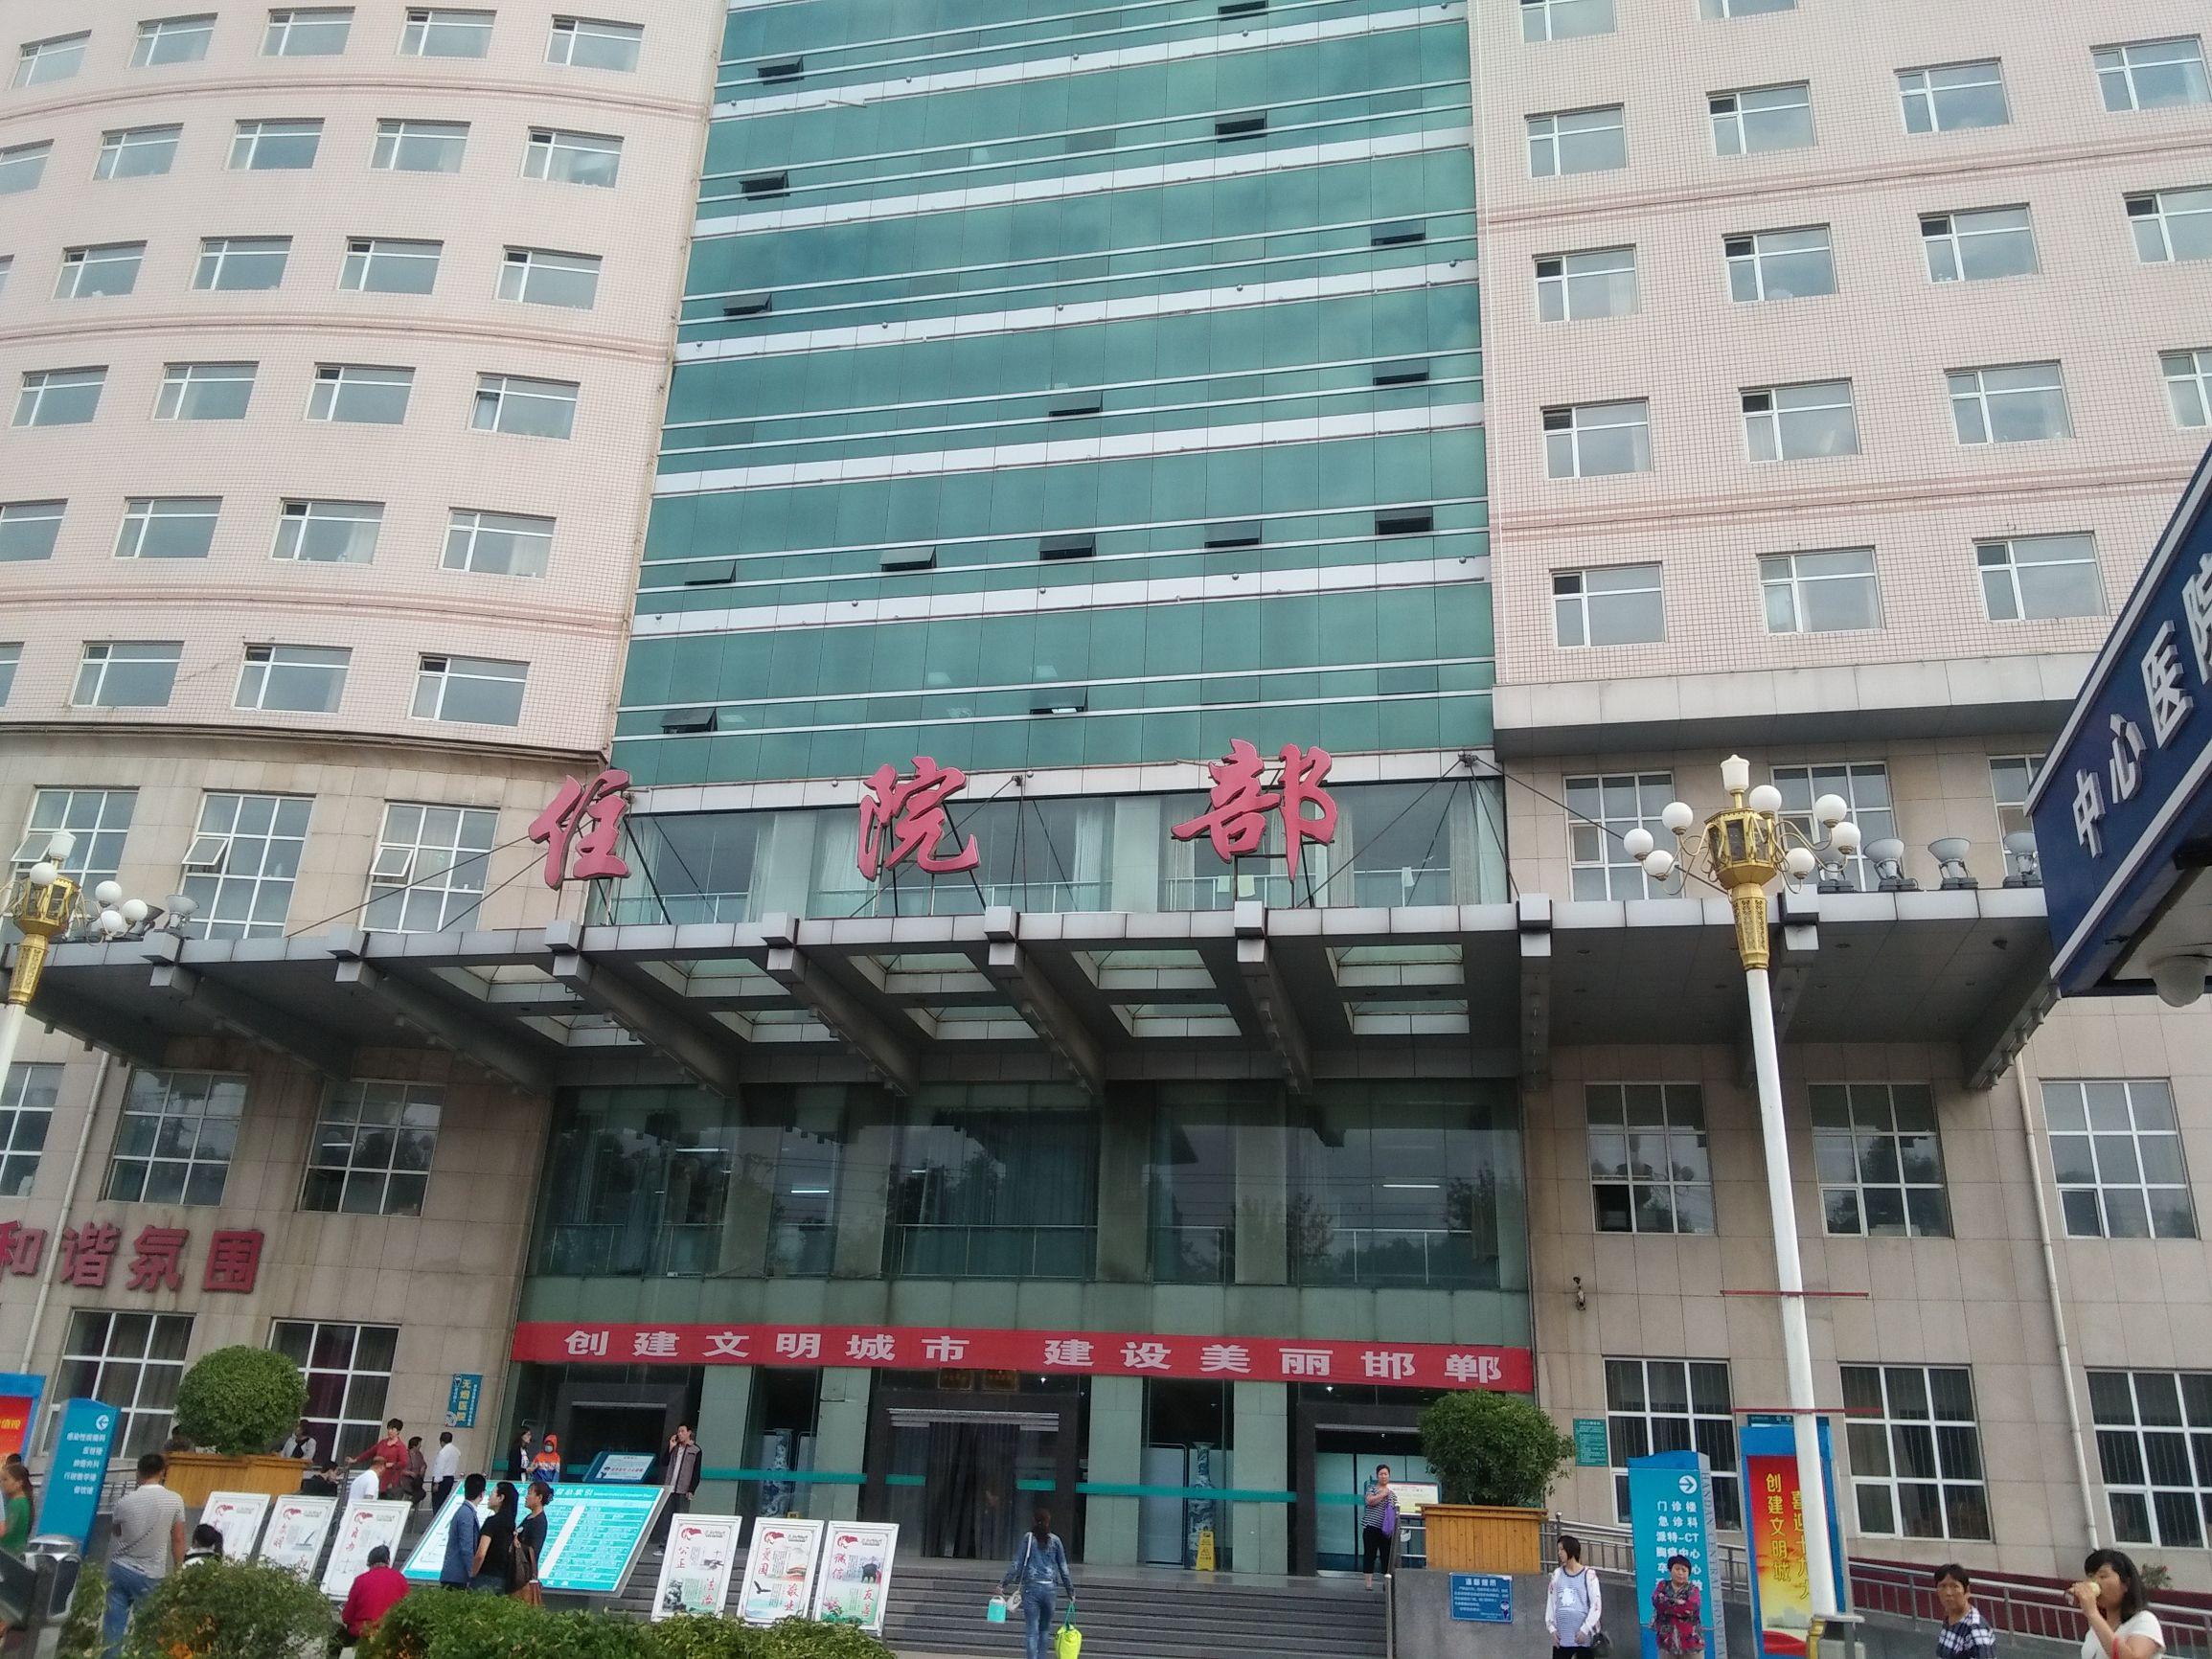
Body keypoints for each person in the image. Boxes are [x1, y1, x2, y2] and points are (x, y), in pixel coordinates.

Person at [103, 1452, 186, 1657]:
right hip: (152, 1573)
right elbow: (178, 1538)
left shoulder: (124, 1501)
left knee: (112, 1630)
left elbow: (117, 1532)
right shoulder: (175, 1500)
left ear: (138, 1472)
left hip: (120, 1569)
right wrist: (178, 1569)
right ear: (162, 1473)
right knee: (148, 1630)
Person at [1000, 1508, 1073, 1659]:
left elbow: (1017, 1564)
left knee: (1032, 1631)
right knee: (1045, 1630)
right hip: (1050, 1589)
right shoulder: (1056, 1541)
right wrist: (1070, 1591)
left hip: (1031, 1588)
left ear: (1034, 1521)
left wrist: (1003, 1584)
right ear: (1048, 1522)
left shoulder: (1028, 1539)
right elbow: (1064, 1569)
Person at [2071, 1549, 2164, 1659]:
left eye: (2103, 1576)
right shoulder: (2095, 1630)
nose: (2094, 1582)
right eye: (2091, 1576)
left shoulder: (2144, 1620)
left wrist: (2092, 1613)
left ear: (2126, 1584)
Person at [1546, 1534, 1603, 1659]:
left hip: (1583, 1637)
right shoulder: (1557, 1574)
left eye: (1562, 1549)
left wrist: (1585, 1629)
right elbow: (1551, 1602)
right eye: (1558, 1550)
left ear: (1570, 1550)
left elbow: (1596, 1605)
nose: (1559, 1553)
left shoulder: (1589, 1574)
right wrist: (1552, 1629)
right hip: (1562, 1637)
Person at [342, 1543, 411, 1641]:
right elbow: (407, 1607)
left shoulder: (361, 1580)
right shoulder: (400, 1579)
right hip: (391, 1632)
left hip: (364, 1632)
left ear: (369, 1562)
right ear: (388, 1561)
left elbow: (347, 1616)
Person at [1934, 1564, 1995, 1659]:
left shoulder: (1975, 1628)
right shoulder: (1950, 1617)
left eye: (1955, 1586)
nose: (1948, 1593)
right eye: (1942, 1586)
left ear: (1967, 1591)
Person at [440, 1473, 486, 1590]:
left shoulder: (464, 1511)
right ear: (482, 1494)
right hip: (457, 1576)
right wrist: (472, 1573)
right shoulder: (467, 1513)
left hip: (454, 1575)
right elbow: (466, 1547)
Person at [471, 1481, 516, 1593]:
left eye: (492, 1493)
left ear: (501, 1498)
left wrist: (472, 1574)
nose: (489, 1497)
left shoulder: (492, 1522)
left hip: (485, 1577)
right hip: (502, 1578)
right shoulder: (511, 1523)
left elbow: (481, 1553)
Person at [1653, 1555, 1702, 1657]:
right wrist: (1678, 1603)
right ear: (1670, 1570)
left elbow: (1690, 1608)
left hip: (1691, 1645)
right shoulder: (1663, 1586)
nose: (1680, 1573)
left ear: (1688, 1573)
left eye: (1684, 1570)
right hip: (1666, 1643)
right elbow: (1657, 1602)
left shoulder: (1693, 1590)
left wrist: (1668, 1604)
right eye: (1677, 1569)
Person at [1361, 1465, 1399, 1589]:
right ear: (1377, 1475)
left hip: (1386, 1530)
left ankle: (1386, 1583)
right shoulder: (1371, 1488)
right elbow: (1370, 1501)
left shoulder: (1392, 1494)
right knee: (1369, 1554)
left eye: (1385, 1474)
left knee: (1386, 1556)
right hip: (1371, 1527)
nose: (1383, 1476)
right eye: (1381, 1474)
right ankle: (1368, 1584)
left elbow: (1394, 1510)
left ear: (1389, 1476)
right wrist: (1382, 1494)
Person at [513, 1480, 550, 1601]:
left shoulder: (540, 1521)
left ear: (539, 1498)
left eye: (529, 1493)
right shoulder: (529, 1517)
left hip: (525, 1575)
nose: (526, 1497)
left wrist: (517, 1544)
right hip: (518, 1571)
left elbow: (534, 1550)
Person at [663, 1424, 702, 1513]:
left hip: (684, 1490)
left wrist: (692, 1490)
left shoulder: (695, 1450)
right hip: (670, 1487)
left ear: (689, 1433)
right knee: (667, 1514)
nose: (680, 1434)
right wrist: (670, 1447)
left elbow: (696, 1472)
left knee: (680, 1513)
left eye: (682, 1431)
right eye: (679, 1432)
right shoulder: (674, 1446)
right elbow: (664, 1462)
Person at [0, 1459, 34, 1555]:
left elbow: (5, 1530)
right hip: (17, 1551)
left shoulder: (17, 1503)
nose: (2, 1484)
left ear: (19, 1483)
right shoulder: (25, 1501)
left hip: (8, 1552)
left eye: (5, 1480)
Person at [369, 1420, 409, 1497]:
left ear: (398, 1431)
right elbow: (369, 1453)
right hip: (377, 1478)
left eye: (393, 1429)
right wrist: (356, 1460)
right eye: (389, 1428)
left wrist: (393, 1465)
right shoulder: (382, 1443)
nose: (390, 1431)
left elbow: (404, 1462)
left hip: (390, 1482)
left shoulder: (400, 1446)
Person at [431, 1431, 461, 1513]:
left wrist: (436, 1483)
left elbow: (439, 1467)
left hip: (441, 1480)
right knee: (445, 1502)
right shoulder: (456, 1451)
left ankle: (436, 1518)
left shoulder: (443, 1452)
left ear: (441, 1441)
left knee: (437, 1503)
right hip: (450, 1478)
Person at [406, 1435, 429, 1507]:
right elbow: (401, 1469)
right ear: (414, 1446)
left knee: (421, 1493)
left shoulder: (419, 1454)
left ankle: (409, 1504)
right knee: (420, 1493)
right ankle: (408, 1505)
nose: (420, 1446)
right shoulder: (406, 1454)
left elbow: (424, 1464)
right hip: (407, 1481)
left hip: (417, 1481)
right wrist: (409, 1473)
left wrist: (423, 1467)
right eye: (419, 1444)